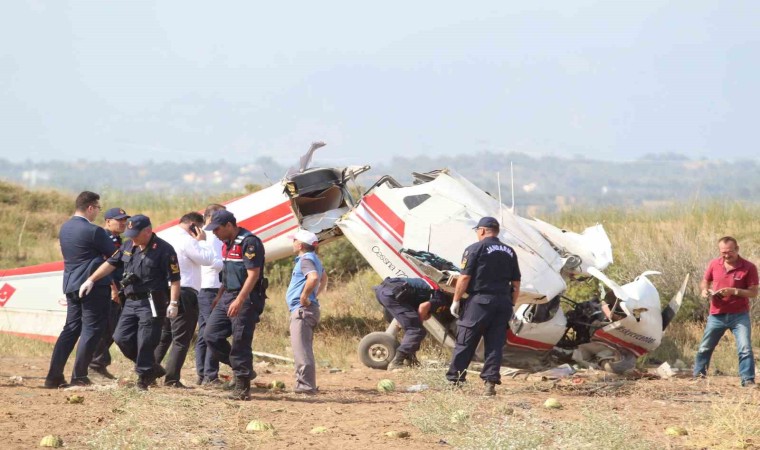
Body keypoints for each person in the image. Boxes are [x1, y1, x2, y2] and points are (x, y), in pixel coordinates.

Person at [80, 215, 181, 390]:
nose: (132, 238)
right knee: (121, 337)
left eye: (136, 234)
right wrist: (91, 279)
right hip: (130, 301)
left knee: (146, 341)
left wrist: (173, 303)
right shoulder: (128, 245)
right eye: (130, 233)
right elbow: (111, 263)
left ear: (148, 231)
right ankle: (151, 368)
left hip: (152, 302)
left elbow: (175, 279)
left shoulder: (164, 249)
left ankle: (143, 379)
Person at [44, 191, 116, 388]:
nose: (97, 213)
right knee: (92, 330)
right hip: (93, 285)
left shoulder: (65, 228)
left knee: (70, 329)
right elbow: (116, 256)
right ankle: (80, 376)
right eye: (97, 208)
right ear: (90, 207)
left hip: (71, 284)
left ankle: (54, 375)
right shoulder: (95, 231)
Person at [446, 216, 521, 396]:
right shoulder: (510, 251)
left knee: (465, 340)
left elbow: (464, 277)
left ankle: (455, 379)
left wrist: (456, 300)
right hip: (503, 302)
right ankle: (490, 384)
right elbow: (516, 284)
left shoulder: (475, 248)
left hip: (480, 301)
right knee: (495, 343)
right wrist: (510, 305)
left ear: (481, 230)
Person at [203, 210, 267, 400]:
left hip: (245, 297)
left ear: (229, 226)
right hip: (226, 295)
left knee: (240, 341)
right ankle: (243, 369)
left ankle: (242, 388)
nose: (214, 233)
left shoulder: (249, 242)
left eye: (217, 229)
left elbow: (253, 275)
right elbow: (228, 274)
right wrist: (219, 296)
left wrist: (239, 299)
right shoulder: (226, 244)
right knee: (211, 335)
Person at [154, 212, 218, 388]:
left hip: (165, 290)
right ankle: (172, 378)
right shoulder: (188, 240)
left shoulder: (167, 235)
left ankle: (147, 372)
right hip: (185, 291)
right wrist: (203, 241)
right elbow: (207, 259)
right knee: (181, 338)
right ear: (194, 226)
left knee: (164, 335)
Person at [694, 236, 758, 387]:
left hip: (739, 315)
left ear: (737, 249)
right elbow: (705, 281)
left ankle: (747, 380)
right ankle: (699, 376)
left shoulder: (748, 267)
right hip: (717, 314)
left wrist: (733, 291)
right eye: (723, 252)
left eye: (729, 252)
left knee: (745, 348)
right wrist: (705, 290)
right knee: (705, 347)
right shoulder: (714, 264)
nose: (726, 255)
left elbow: (754, 292)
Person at [285, 229, 328, 394]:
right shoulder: (314, 259)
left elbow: (314, 278)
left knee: (301, 350)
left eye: (294, 240)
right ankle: (305, 385)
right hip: (308, 309)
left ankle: (305, 387)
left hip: (302, 310)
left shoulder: (305, 260)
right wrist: (314, 295)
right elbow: (323, 278)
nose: (292, 243)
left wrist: (304, 297)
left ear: (300, 245)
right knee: (304, 348)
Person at [89, 207, 130, 380]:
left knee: (113, 328)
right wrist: (113, 289)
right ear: (107, 221)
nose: (123, 223)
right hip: (108, 288)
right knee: (106, 327)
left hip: (119, 288)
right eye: (118, 220)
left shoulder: (119, 240)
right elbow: (106, 266)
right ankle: (95, 365)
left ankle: (98, 364)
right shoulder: (105, 239)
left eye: (124, 220)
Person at [373, 277, 448, 370]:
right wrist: (417, 326)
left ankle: (410, 360)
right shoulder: (440, 298)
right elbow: (423, 307)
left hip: (383, 291)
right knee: (416, 330)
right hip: (394, 293)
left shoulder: (429, 288)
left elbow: (424, 312)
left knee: (413, 329)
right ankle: (397, 362)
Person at [195, 204, 226, 386]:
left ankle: (203, 373)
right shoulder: (212, 238)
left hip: (203, 287)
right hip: (211, 288)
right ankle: (210, 375)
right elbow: (213, 262)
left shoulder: (201, 237)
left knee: (204, 332)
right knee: (213, 332)